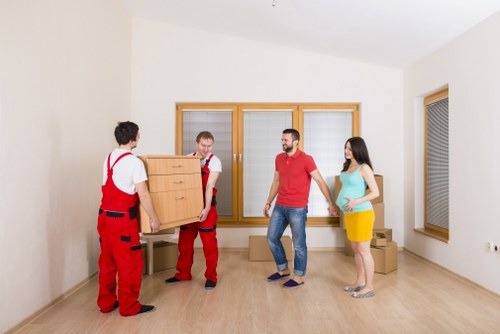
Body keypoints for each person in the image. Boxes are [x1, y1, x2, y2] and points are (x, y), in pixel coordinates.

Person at [97, 121, 160, 316]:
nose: (139, 137)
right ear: (133, 138)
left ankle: (106, 303)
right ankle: (129, 306)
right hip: (122, 221)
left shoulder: (108, 158)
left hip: (104, 218)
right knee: (130, 263)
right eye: (138, 135)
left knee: (107, 262)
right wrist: (154, 217)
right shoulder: (135, 162)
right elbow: (144, 195)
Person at [263, 128, 337, 288]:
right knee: (271, 238)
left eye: (285, 140)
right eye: (282, 140)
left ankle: (298, 276)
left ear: (295, 142)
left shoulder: (306, 159)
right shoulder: (279, 158)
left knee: (298, 244)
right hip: (280, 206)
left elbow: (320, 181)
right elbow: (276, 181)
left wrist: (331, 203)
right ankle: (283, 270)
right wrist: (268, 201)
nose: (282, 143)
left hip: (297, 208)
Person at [166, 131, 221, 289]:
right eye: (203, 145)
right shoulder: (188, 159)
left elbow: (209, 185)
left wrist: (206, 208)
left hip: (207, 206)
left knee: (209, 244)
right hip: (188, 208)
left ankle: (211, 277)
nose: (206, 149)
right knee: (185, 243)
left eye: (209, 146)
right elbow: (180, 183)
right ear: (197, 143)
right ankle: (183, 273)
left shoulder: (214, 161)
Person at [336, 136, 379, 298]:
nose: (347, 151)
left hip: (362, 213)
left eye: (350, 148)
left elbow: (375, 192)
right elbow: (346, 187)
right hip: (350, 214)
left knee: (364, 249)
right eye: (345, 148)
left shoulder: (364, 168)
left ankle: (369, 287)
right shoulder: (348, 166)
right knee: (356, 249)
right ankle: (360, 281)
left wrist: (356, 201)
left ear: (358, 149)